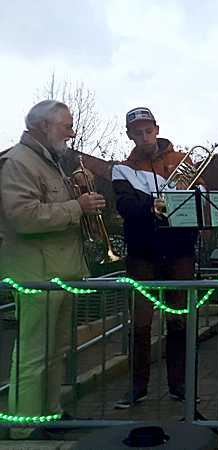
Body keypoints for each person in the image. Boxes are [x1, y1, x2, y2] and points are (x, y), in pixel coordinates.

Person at [0, 100, 105, 439]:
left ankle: (49, 414)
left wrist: (79, 191)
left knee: (55, 350)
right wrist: (77, 206)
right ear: (44, 126)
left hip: (58, 271)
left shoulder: (48, 161)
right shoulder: (18, 162)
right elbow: (23, 217)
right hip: (36, 273)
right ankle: (24, 427)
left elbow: (53, 204)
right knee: (33, 355)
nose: (72, 132)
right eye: (66, 125)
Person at [111, 107, 199, 408]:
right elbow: (125, 206)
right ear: (129, 135)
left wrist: (187, 195)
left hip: (179, 251)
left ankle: (180, 385)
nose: (144, 136)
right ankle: (137, 387)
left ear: (157, 129)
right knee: (140, 324)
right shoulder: (122, 169)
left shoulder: (183, 161)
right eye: (138, 132)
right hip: (142, 254)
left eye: (148, 131)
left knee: (178, 321)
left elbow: (197, 202)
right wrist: (153, 205)